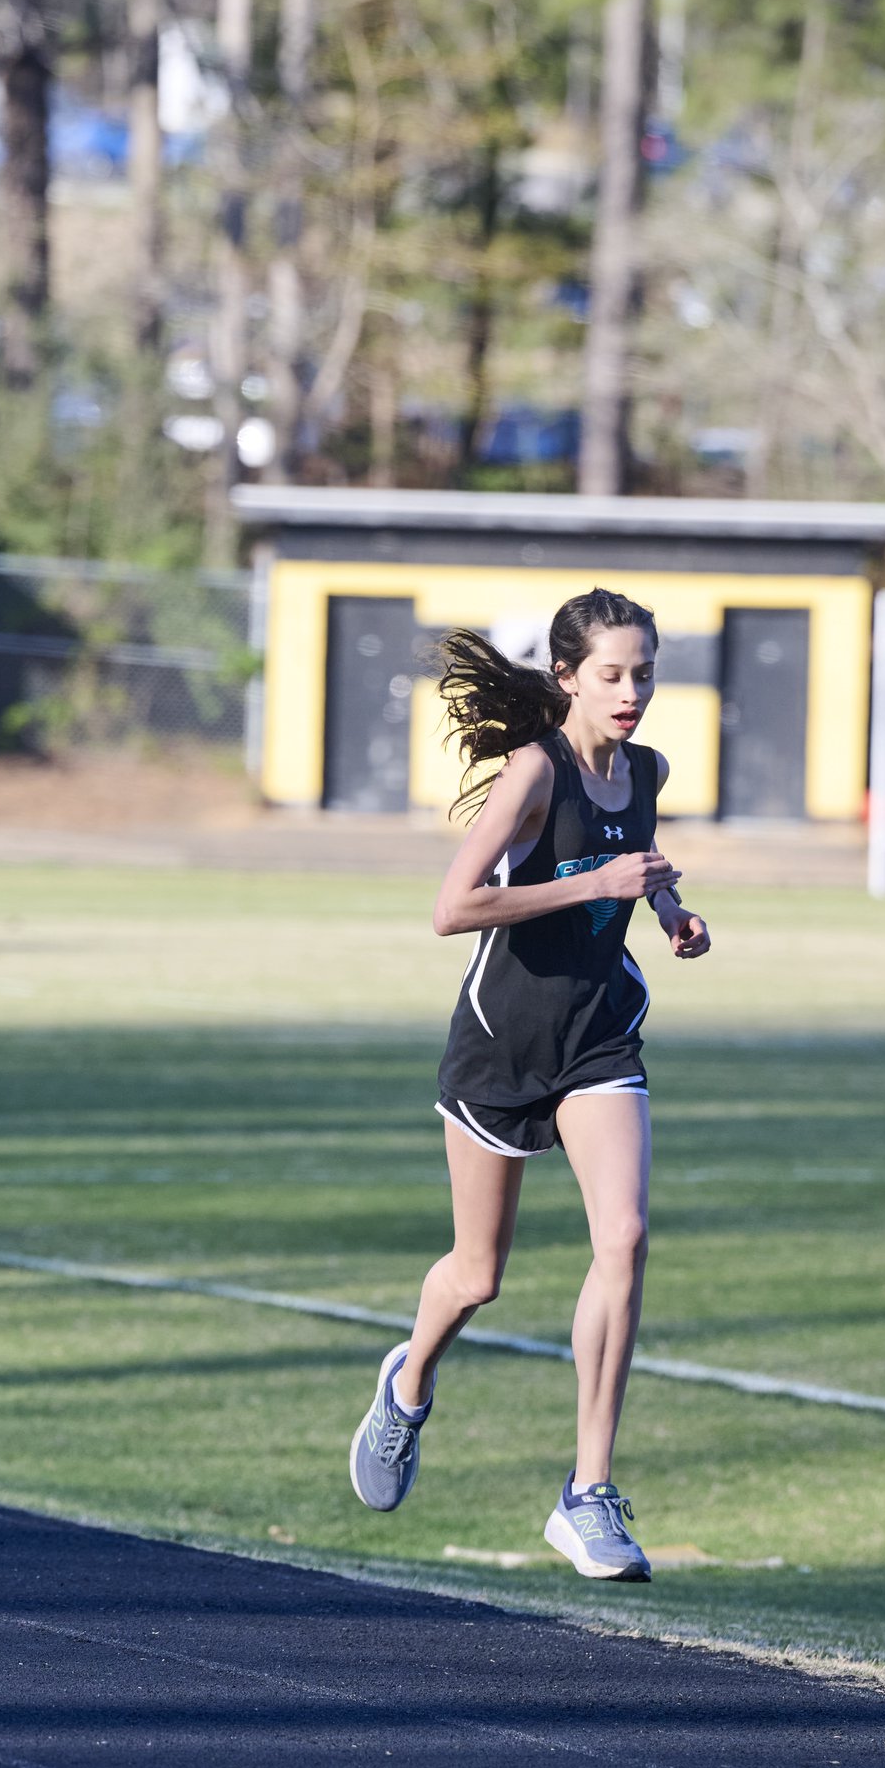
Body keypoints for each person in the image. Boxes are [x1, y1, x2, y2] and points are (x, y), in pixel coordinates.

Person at [347, 588, 710, 1582]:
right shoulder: (534, 772)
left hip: (598, 1038)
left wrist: (670, 910)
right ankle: (408, 1383)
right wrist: (596, 885)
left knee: (624, 1236)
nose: (631, 692)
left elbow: (636, 860)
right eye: (612, 674)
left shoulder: (646, 770)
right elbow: (453, 906)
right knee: (478, 1276)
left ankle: (588, 1492)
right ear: (567, 677)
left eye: (644, 673)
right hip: (502, 1044)